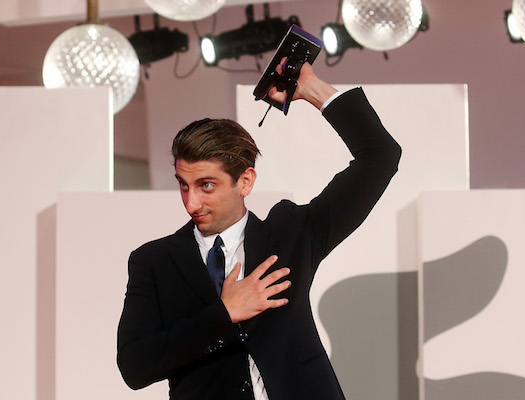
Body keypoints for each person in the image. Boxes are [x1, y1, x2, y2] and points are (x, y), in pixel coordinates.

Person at [116, 62, 401, 400]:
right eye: (183, 185)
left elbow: (380, 156)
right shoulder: (155, 261)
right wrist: (224, 313)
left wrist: (311, 89)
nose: (192, 203)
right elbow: (134, 367)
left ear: (245, 181)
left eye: (206, 185)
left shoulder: (292, 234)